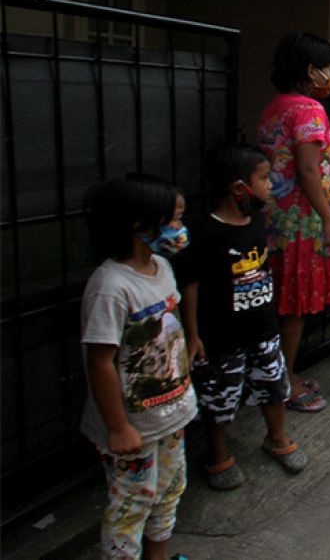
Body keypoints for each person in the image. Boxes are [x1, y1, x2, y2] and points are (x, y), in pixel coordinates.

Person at [175, 142, 309, 490]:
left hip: (262, 328)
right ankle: (217, 454)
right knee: (219, 398)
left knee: (274, 386)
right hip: (220, 336)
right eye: (264, 178)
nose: (270, 184)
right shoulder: (205, 232)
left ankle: (276, 438)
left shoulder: (256, 221)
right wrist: (193, 335)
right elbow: (189, 285)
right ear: (239, 188)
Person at [80, 176, 197, 560]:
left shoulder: (161, 266)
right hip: (134, 428)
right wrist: (117, 427)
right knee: (132, 505)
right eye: (172, 220)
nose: (179, 230)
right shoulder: (111, 286)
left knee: (169, 490)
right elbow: (100, 361)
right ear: (138, 225)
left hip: (171, 414)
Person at [258, 32, 330, 413]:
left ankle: (278, 374)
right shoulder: (309, 110)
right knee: (293, 307)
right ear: (311, 71)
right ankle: (285, 381)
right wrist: (329, 220)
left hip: (273, 219)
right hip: (301, 223)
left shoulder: (275, 107)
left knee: (277, 302)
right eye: (327, 69)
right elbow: (308, 170)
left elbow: (289, 164)